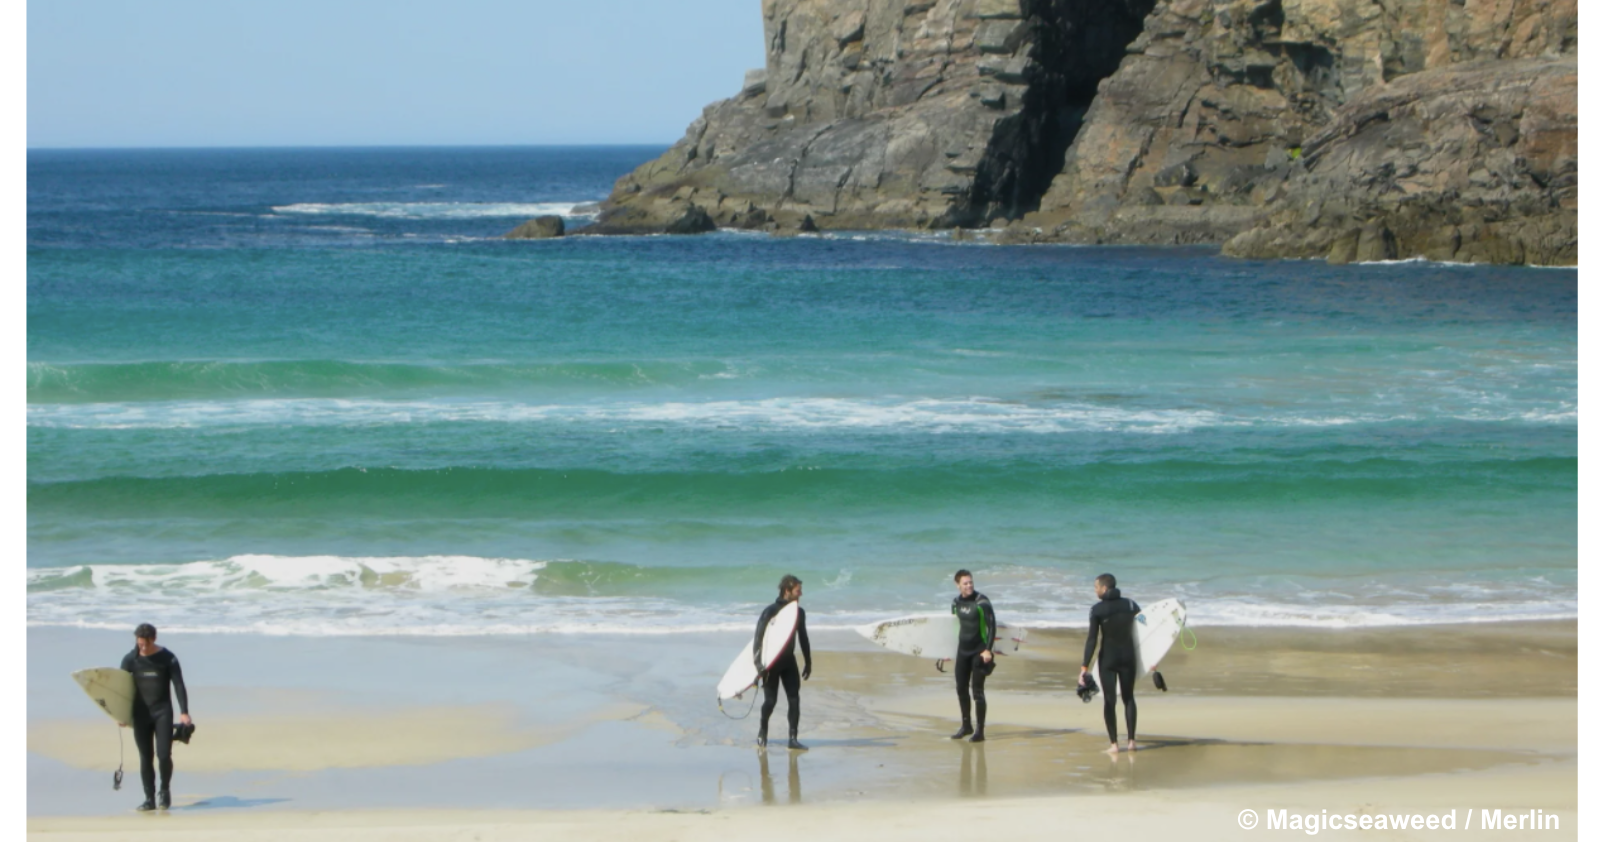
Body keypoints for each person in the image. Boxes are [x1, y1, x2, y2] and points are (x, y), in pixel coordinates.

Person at [119, 623, 192, 811]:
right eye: (140, 644)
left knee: (163, 755)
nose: (143, 647)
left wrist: (184, 712)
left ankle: (164, 791)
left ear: (155, 638)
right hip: (140, 715)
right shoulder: (130, 660)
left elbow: (178, 685)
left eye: (146, 644)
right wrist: (120, 713)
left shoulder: (167, 658)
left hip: (162, 712)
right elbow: (120, 690)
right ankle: (149, 798)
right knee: (145, 757)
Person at [1079, 573, 1140, 754]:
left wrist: (1084, 666)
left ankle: (1114, 745)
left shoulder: (1097, 609)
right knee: (1129, 698)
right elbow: (1144, 631)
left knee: (1109, 700)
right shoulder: (1131, 605)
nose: (1095, 590)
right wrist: (1152, 662)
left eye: (1096, 587)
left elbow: (1092, 640)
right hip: (1129, 658)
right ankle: (1131, 742)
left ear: (1104, 588)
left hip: (1109, 659)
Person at [753, 574, 811, 751]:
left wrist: (808, 662)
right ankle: (763, 730)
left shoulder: (799, 613)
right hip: (772, 663)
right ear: (787, 590)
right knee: (770, 702)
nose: (800, 594)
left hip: (789, 662)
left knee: (794, 699)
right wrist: (758, 665)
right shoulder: (770, 611)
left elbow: (803, 637)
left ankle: (793, 738)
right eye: (797, 591)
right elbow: (758, 639)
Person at [949, 569, 995, 742]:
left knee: (977, 692)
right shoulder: (955, 603)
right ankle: (966, 725)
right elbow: (953, 628)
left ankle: (980, 731)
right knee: (961, 688)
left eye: (971, 582)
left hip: (979, 651)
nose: (969, 585)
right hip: (962, 651)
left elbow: (992, 626)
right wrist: (946, 652)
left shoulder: (982, 601)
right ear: (958, 585)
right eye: (965, 583)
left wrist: (988, 650)